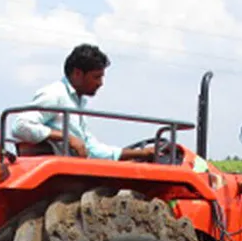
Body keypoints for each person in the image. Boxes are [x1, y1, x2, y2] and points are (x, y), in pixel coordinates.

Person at [11, 44, 156, 160]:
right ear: (78, 74)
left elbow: (92, 149)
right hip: (62, 172)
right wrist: (67, 137)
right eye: (96, 77)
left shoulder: (76, 103)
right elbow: (21, 126)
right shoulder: (55, 94)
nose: (100, 83)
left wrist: (142, 154)